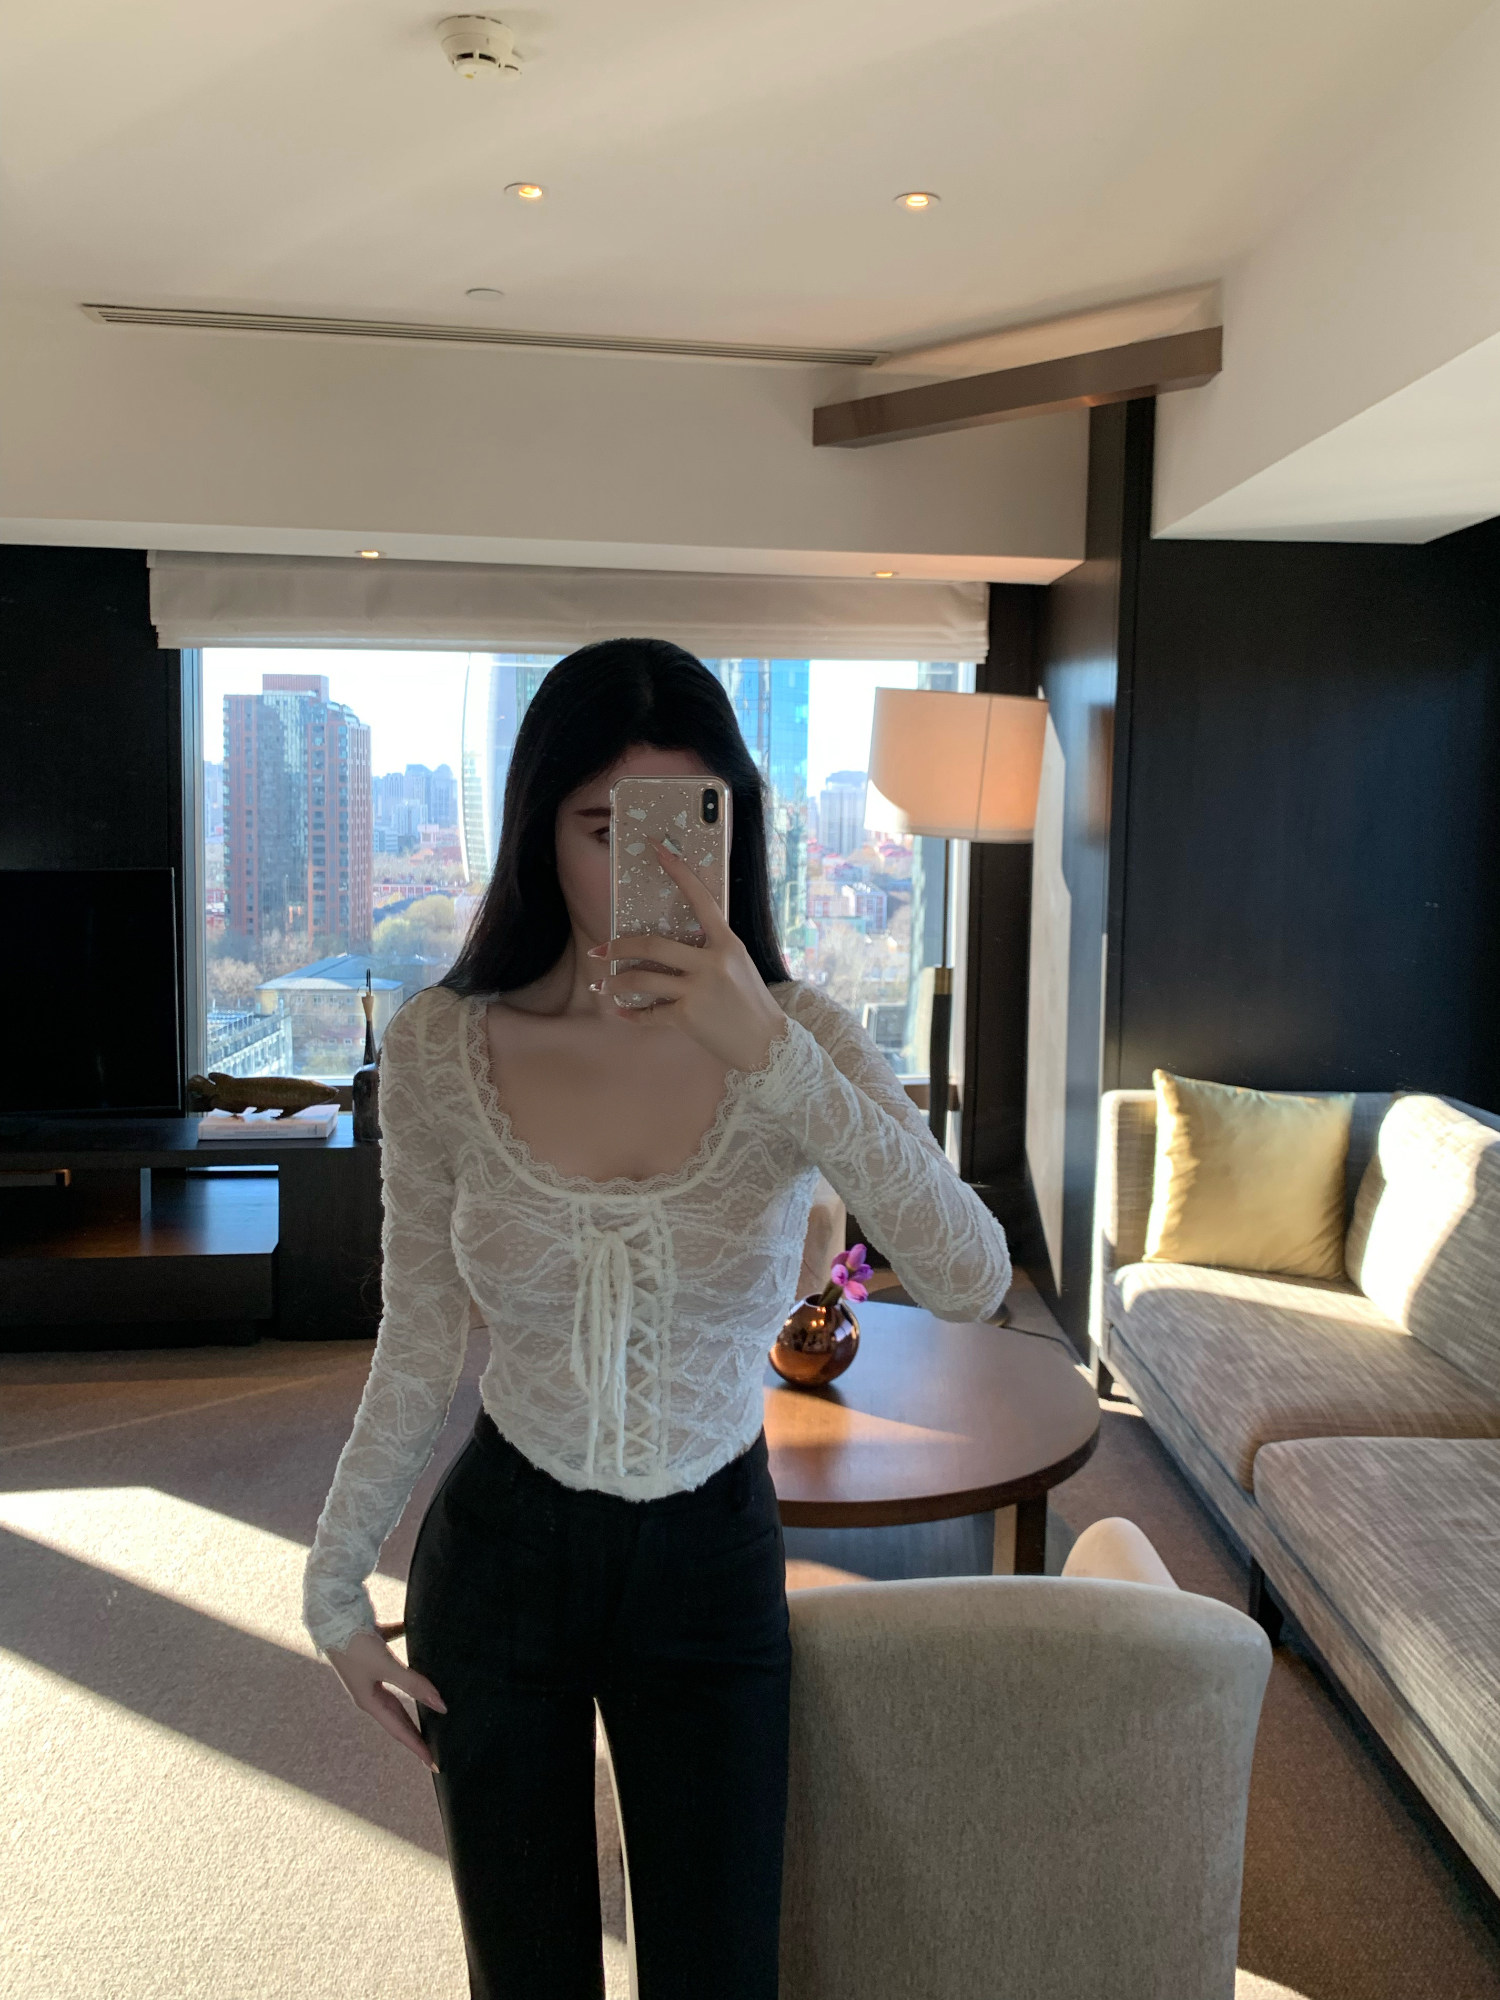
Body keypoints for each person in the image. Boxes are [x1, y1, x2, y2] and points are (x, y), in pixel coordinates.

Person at [302, 638, 1012, 2000]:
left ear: (738, 829)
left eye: (694, 822)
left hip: (710, 1556)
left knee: (721, 1971)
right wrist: (334, 1585)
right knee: (527, 1975)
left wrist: (773, 1056)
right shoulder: (445, 1046)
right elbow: (420, 1337)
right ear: (538, 833)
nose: (659, 866)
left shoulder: (804, 1038)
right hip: (500, 1560)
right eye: (603, 827)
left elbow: (972, 1274)